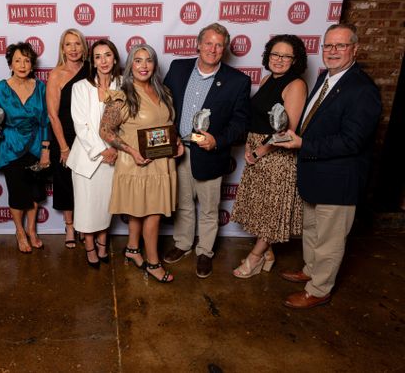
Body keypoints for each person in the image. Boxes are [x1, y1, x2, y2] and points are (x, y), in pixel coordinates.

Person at [274, 23, 381, 308]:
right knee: (311, 230)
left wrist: (302, 145)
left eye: (341, 46)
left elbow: (352, 142)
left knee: (330, 240)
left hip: (339, 180)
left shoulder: (362, 89)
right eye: (328, 46)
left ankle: (319, 289)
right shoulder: (326, 77)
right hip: (316, 175)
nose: (333, 51)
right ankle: (310, 270)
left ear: (354, 49)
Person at [163, 22, 251, 278]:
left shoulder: (237, 81)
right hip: (179, 149)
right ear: (198, 44)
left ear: (224, 49)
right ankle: (183, 243)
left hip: (210, 153)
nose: (213, 49)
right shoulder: (178, 68)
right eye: (208, 43)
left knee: (210, 207)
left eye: (219, 45)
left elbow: (240, 123)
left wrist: (218, 142)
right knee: (183, 204)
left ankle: (205, 251)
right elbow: (165, 105)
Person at [100, 44, 183, 283]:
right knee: (152, 214)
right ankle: (154, 263)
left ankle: (133, 249)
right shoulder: (122, 95)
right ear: (130, 65)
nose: (143, 65)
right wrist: (131, 152)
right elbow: (105, 130)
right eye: (138, 60)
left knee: (140, 211)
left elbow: (168, 124)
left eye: (148, 60)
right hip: (137, 164)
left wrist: (176, 142)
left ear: (155, 65)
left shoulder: (164, 91)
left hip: (162, 163)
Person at [230, 35, 308, 278]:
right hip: (256, 149)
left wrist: (260, 150)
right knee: (261, 207)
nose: (279, 60)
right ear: (268, 56)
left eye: (286, 56)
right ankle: (269, 254)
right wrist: (247, 146)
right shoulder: (266, 80)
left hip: (276, 156)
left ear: (295, 60)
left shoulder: (296, 85)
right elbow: (256, 120)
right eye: (275, 54)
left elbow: (287, 132)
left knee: (271, 210)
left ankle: (254, 257)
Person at [0, 42, 50, 254]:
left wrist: (45, 148)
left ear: (32, 64)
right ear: (10, 63)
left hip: (35, 145)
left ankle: (32, 231)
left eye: (27, 60)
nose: (23, 65)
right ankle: (19, 232)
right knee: (17, 194)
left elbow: (46, 120)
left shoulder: (42, 87)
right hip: (10, 146)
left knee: (34, 193)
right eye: (18, 60)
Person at [66, 40, 121, 268]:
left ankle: (102, 243)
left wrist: (115, 149)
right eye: (98, 57)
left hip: (114, 157)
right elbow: (81, 125)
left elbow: (127, 124)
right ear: (93, 61)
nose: (103, 61)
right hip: (88, 159)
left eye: (107, 55)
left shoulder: (123, 85)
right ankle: (89, 247)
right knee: (87, 207)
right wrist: (102, 151)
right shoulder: (80, 87)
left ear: (115, 58)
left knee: (105, 205)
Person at [46, 29, 89, 248]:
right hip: (65, 136)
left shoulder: (91, 70)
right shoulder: (57, 74)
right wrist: (63, 147)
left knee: (86, 182)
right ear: (62, 48)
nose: (73, 49)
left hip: (88, 136)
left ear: (84, 47)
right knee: (65, 181)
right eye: (68, 44)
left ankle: (84, 224)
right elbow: (53, 114)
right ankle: (70, 226)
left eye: (77, 44)